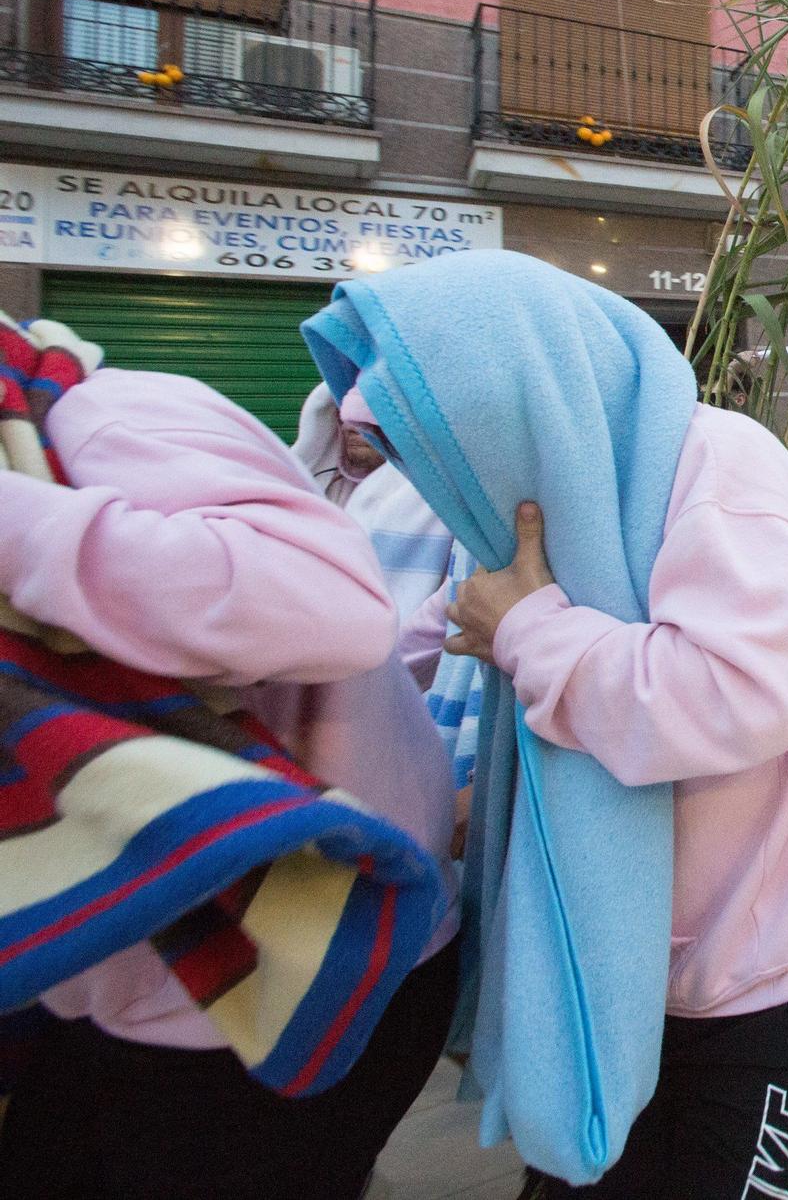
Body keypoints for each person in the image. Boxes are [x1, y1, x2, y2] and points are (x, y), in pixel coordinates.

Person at [307, 251, 788, 1199]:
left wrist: (531, 633)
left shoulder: (719, 471)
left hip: (783, 987)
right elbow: (431, 632)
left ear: (510, 405)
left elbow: (747, 692)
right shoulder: (539, 509)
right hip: (629, 985)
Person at [0, 317, 459, 1200]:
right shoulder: (340, 480)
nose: (368, 421)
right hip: (147, 961)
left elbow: (340, 611)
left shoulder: (109, 421)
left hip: (294, 949)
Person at [294, 382, 456, 626]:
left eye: (372, 416)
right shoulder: (312, 496)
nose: (354, 427)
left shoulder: (441, 513)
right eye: (346, 414)